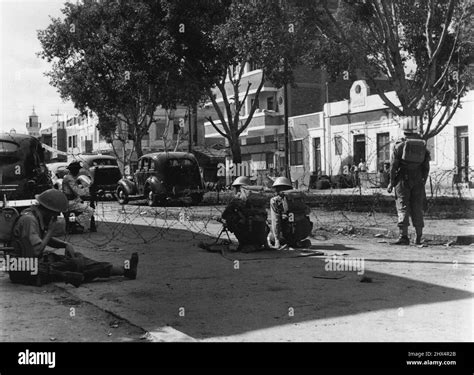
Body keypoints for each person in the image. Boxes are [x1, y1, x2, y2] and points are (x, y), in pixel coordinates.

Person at [9, 189, 138, 288]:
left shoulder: (34, 217)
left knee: (77, 259)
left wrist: (65, 245)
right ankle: (123, 271)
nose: (56, 217)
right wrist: (51, 231)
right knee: (76, 264)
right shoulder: (29, 220)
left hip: (34, 264)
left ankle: (125, 270)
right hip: (26, 269)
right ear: (48, 210)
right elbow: (36, 251)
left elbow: (41, 239)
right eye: (55, 214)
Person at [387, 117, 431, 245]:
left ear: (403, 129)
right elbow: (426, 167)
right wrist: (423, 180)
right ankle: (418, 237)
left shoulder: (399, 145)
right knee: (417, 207)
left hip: (403, 179)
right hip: (418, 179)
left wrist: (391, 182)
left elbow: (393, 167)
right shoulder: (422, 145)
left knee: (402, 206)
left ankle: (403, 236)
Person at [221, 176, 269, 252]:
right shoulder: (258, 200)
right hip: (260, 237)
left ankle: (244, 244)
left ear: (238, 188)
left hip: (245, 235)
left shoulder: (236, 200)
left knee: (231, 219)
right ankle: (257, 244)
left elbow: (224, 215)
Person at [268, 176, 313, 249]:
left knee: (270, 237)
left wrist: (276, 240)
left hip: (286, 234)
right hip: (303, 232)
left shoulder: (275, 200)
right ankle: (297, 242)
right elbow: (307, 211)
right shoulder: (297, 197)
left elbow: (275, 220)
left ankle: (288, 242)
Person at [62, 161, 94, 233]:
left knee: (83, 205)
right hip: (70, 203)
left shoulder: (70, 177)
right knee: (90, 210)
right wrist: (88, 189)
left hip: (72, 201)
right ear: (74, 170)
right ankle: (76, 221)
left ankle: (76, 224)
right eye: (77, 170)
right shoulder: (69, 178)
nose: (78, 171)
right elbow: (78, 192)